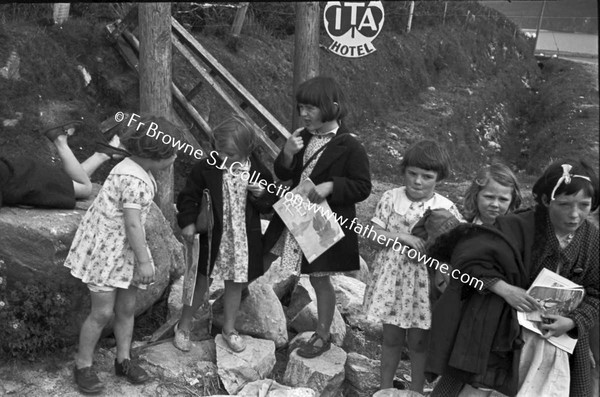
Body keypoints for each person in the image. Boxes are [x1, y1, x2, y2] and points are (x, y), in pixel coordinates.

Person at [427, 158, 599, 397]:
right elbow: (469, 259)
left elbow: (595, 293)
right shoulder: (518, 226)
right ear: (544, 200)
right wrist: (504, 289)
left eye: (584, 205)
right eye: (564, 204)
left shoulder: (592, 241)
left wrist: (572, 322)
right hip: (499, 331)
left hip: (556, 340)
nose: (574, 214)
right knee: (475, 389)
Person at [63, 114, 179, 394]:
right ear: (156, 155)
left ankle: (123, 360)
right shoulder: (133, 180)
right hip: (107, 254)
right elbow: (132, 223)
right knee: (102, 312)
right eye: (172, 153)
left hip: (122, 252)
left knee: (126, 309)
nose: (176, 157)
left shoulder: (137, 168)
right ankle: (83, 364)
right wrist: (144, 260)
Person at [263, 76, 371, 358]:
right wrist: (287, 154)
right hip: (292, 214)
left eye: (311, 108)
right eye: (301, 107)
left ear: (332, 107)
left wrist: (333, 186)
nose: (304, 114)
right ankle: (236, 307)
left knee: (320, 279)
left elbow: (363, 186)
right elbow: (286, 174)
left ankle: (323, 335)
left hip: (322, 222)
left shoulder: (350, 146)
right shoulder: (303, 137)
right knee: (264, 257)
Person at [362, 140, 463, 393]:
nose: (418, 181)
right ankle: (385, 388)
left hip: (423, 283)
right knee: (391, 338)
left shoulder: (445, 207)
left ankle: (416, 391)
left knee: (419, 342)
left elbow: (457, 245)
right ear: (404, 171)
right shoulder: (390, 198)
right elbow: (372, 233)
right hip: (393, 280)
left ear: (439, 177)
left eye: (427, 176)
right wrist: (401, 237)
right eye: (412, 174)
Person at [174, 114, 276, 353]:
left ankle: (229, 329)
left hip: (241, 240)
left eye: (230, 154)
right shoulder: (207, 167)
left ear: (247, 150)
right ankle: (184, 326)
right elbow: (188, 196)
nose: (223, 158)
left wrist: (261, 195)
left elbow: (270, 205)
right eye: (220, 151)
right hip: (213, 238)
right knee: (201, 282)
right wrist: (187, 222)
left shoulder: (258, 171)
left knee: (235, 285)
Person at [0, 120, 129, 209]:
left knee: (85, 188)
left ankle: (60, 140)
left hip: (25, 181)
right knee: (71, 180)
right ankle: (103, 154)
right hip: (17, 169)